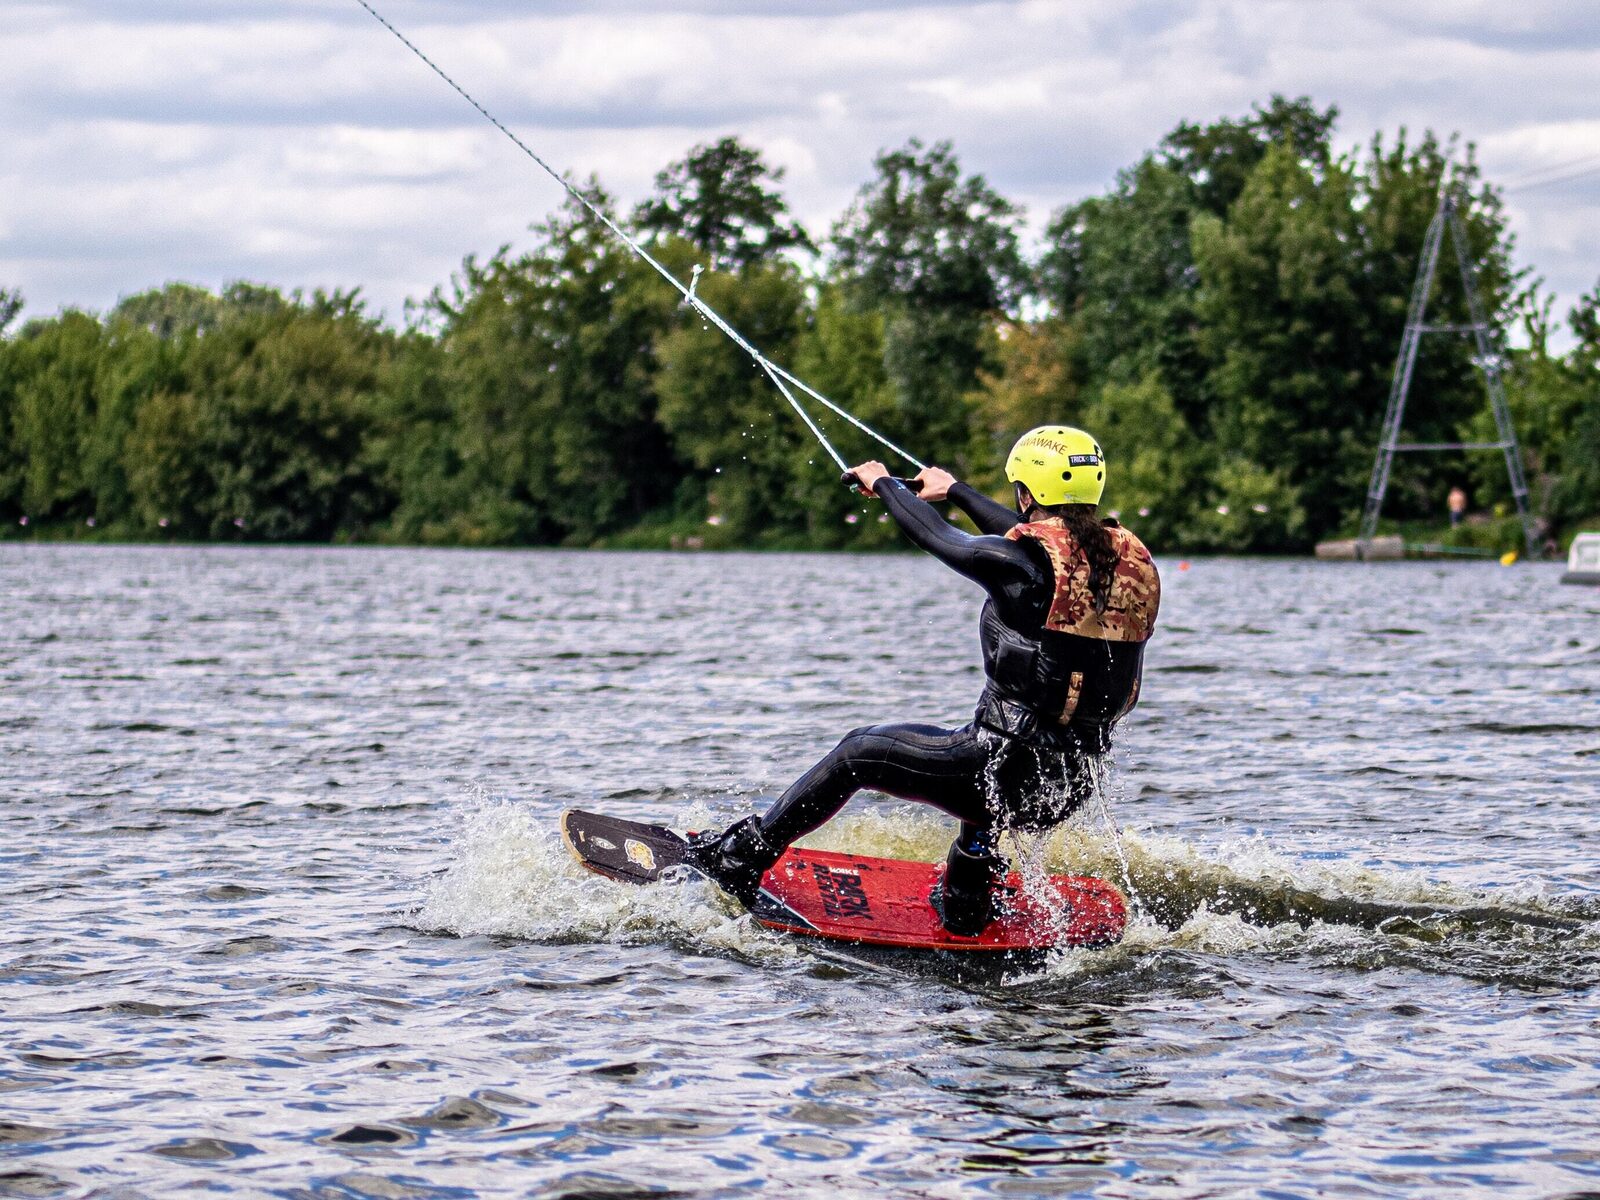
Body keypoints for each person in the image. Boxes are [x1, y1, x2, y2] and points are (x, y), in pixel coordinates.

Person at [685, 426, 1161, 935]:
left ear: (1025, 492)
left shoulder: (1020, 568)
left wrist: (884, 483)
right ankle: (967, 895)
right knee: (993, 767)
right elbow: (1029, 544)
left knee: (861, 752)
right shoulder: (1123, 559)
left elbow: (944, 539)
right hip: (1071, 783)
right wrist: (953, 490)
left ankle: (742, 857)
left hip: (1002, 774)